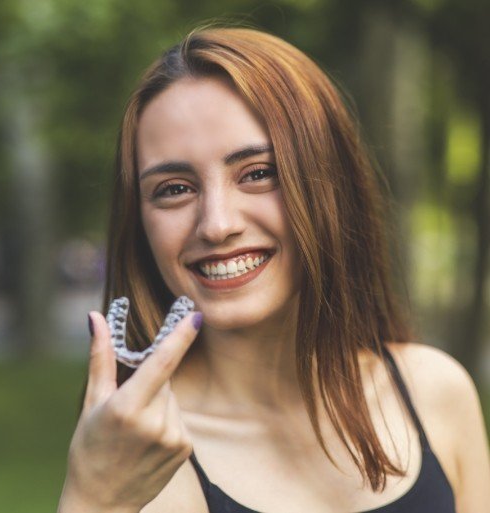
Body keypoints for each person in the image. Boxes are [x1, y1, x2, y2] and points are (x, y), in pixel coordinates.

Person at [57, 26, 490, 513]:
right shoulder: (148, 462)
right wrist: (93, 499)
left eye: (258, 173)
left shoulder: (436, 392)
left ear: (332, 184)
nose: (217, 225)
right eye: (174, 188)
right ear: (139, 224)